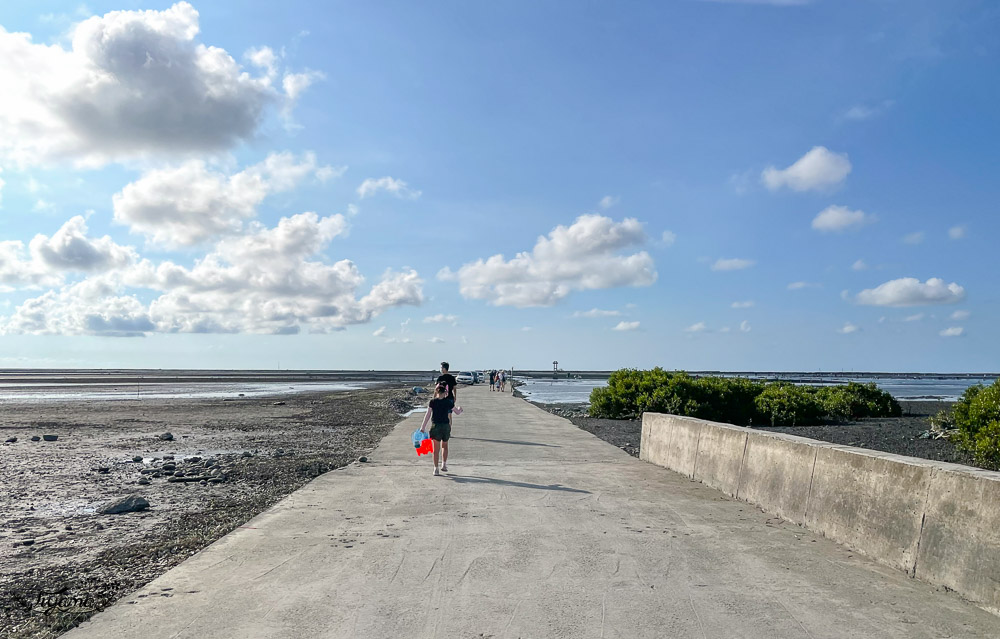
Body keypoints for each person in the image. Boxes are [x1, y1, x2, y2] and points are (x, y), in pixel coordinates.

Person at [419, 383, 454, 475]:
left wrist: (423, 427)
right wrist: (460, 409)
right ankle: (444, 464)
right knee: (444, 446)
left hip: (436, 426)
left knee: (435, 449)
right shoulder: (448, 402)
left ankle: (435, 468)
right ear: (445, 392)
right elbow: (457, 411)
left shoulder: (433, 402)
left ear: (436, 391)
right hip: (446, 426)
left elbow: (427, 415)